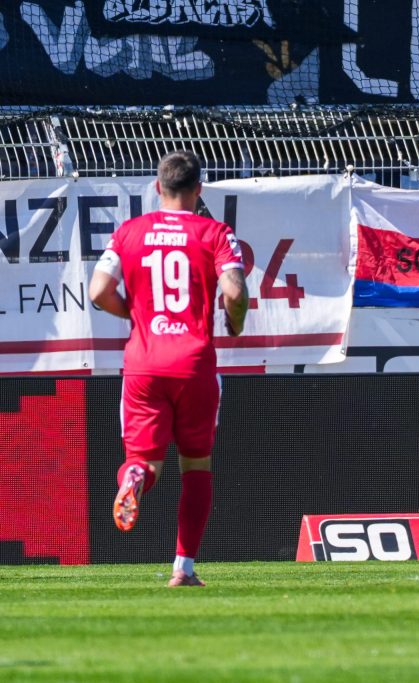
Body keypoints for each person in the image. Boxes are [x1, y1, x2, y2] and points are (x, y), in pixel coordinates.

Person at [89, 150, 249, 587]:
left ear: (158, 187)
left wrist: (138, 314)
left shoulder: (129, 232)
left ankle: (135, 477)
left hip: (144, 364)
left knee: (144, 460)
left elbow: (98, 290)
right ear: (199, 190)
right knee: (196, 465)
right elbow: (235, 292)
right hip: (194, 363)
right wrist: (235, 325)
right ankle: (184, 567)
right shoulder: (215, 233)